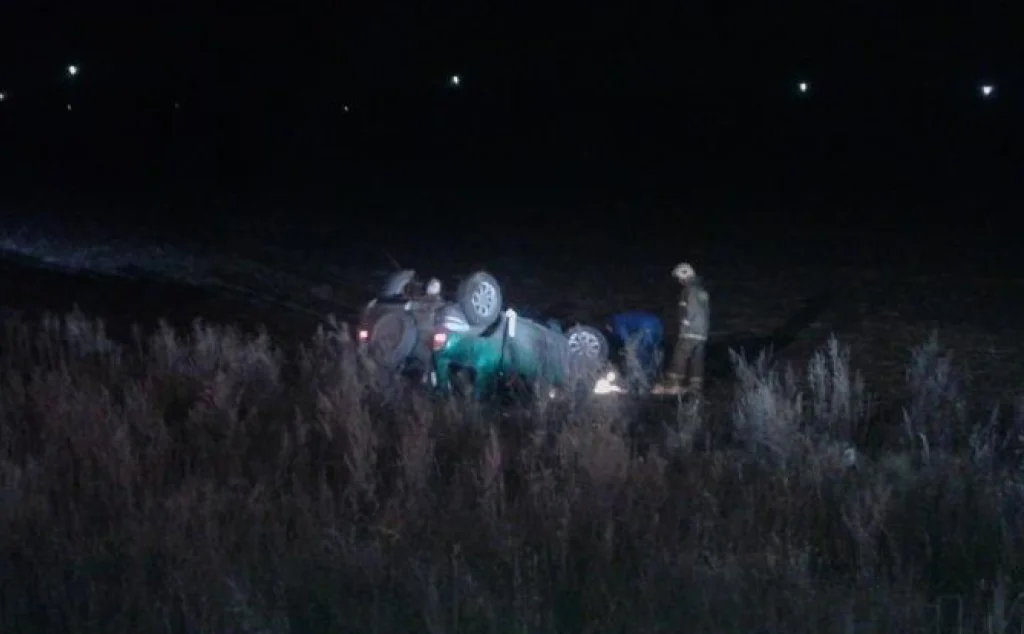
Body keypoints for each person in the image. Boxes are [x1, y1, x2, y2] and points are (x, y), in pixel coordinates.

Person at [652, 262, 709, 396]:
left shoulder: (687, 290)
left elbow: (685, 311)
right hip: (702, 332)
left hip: (690, 331)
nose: (679, 281)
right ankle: (696, 387)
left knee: (680, 355)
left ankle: (672, 384)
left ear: (685, 275)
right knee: (697, 358)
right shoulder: (702, 291)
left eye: (679, 278)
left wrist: (684, 324)